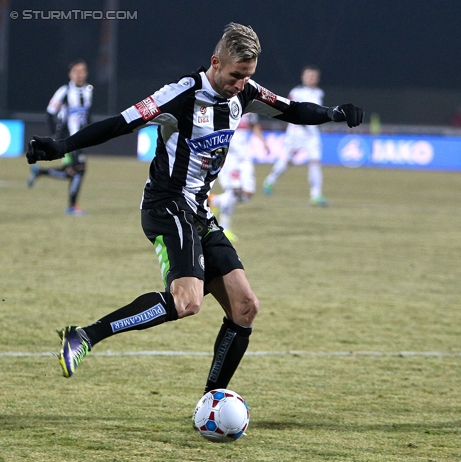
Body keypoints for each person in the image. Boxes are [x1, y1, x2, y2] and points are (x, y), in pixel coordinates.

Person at [27, 23, 363, 397]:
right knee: (187, 301)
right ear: (216, 62)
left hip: (199, 211)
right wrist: (61, 146)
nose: (240, 84)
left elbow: (292, 109)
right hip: (166, 204)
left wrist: (333, 112)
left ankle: (212, 400)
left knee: (245, 307)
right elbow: (120, 123)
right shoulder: (181, 95)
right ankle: (84, 336)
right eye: (236, 75)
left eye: (247, 76)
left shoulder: (245, 93)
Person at [28, 60, 93, 216]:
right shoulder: (64, 91)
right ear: (70, 74)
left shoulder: (89, 90)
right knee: (79, 170)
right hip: (67, 138)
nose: (79, 74)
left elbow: (87, 115)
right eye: (76, 71)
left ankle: (40, 173)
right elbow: (50, 113)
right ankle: (72, 206)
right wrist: (54, 136)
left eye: (82, 71)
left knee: (71, 171)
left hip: (81, 137)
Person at [262, 65, 327, 206]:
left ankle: (315, 195)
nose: (312, 79)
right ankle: (270, 180)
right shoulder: (297, 92)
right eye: (309, 76)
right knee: (287, 161)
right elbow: (289, 110)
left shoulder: (319, 93)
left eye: (314, 76)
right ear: (303, 77)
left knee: (315, 162)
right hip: (296, 132)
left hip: (312, 134)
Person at [209, 112, 269, 242]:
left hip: (244, 157)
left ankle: (214, 201)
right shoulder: (225, 106)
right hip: (229, 157)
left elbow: (255, 125)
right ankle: (225, 228)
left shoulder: (249, 108)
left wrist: (263, 142)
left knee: (247, 194)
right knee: (233, 191)